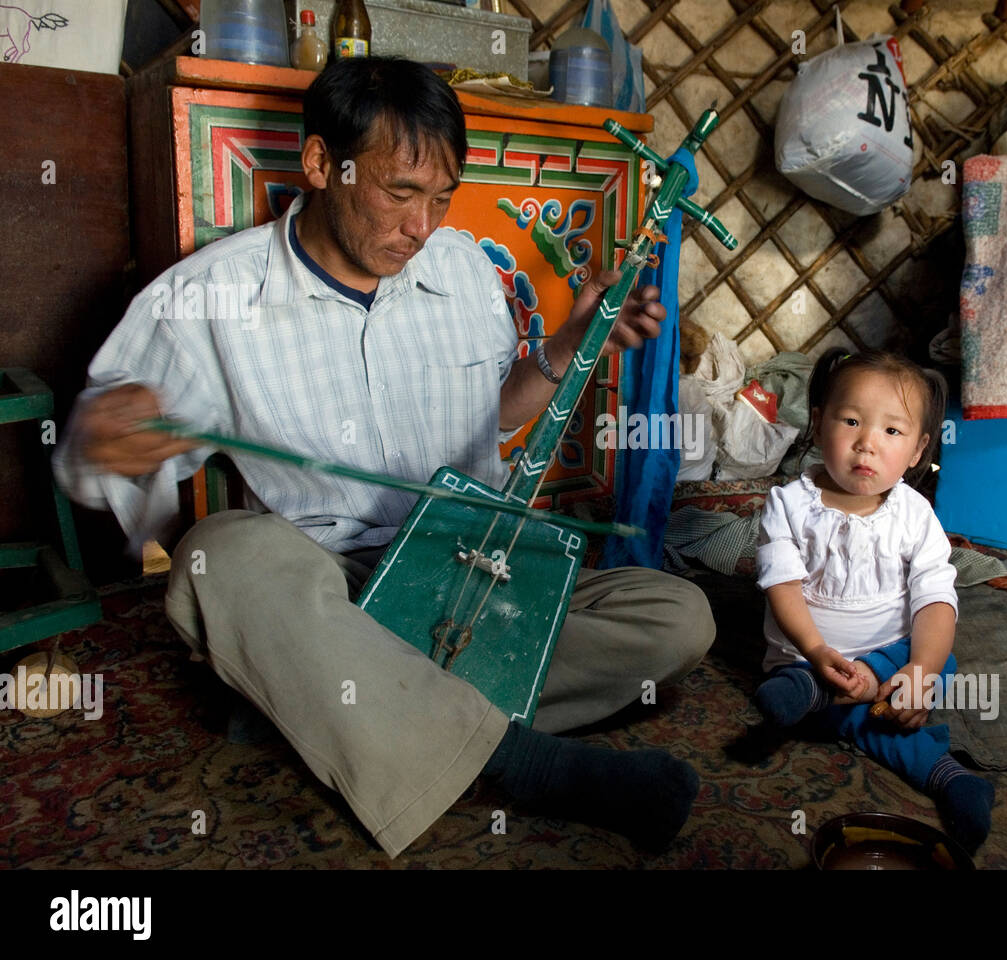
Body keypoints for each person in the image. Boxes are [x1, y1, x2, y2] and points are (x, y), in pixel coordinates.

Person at [52, 57, 714, 857]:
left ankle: (331, 706)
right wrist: (102, 437)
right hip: (333, 582)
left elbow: (491, 414)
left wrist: (567, 346)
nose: (421, 226)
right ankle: (518, 759)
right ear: (323, 163)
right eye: (400, 193)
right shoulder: (210, 298)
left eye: (441, 198)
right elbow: (97, 463)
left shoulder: (464, 270)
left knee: (677, 617)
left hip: (468, 568)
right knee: (219, 558)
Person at [751, 349, 994, 853]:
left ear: (918, 449)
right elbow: (782, 588)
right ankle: (941, 770)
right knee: (834, 701)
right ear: (818, 424)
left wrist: (920, 672)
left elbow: (934, 600)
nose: (867, 443)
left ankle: (955, 780)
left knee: (940, 657)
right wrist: (818, 653)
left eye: (891, 431)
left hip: (891, 663)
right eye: (852, 421)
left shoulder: (915, 515)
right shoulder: (788, 505)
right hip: (807, 658)